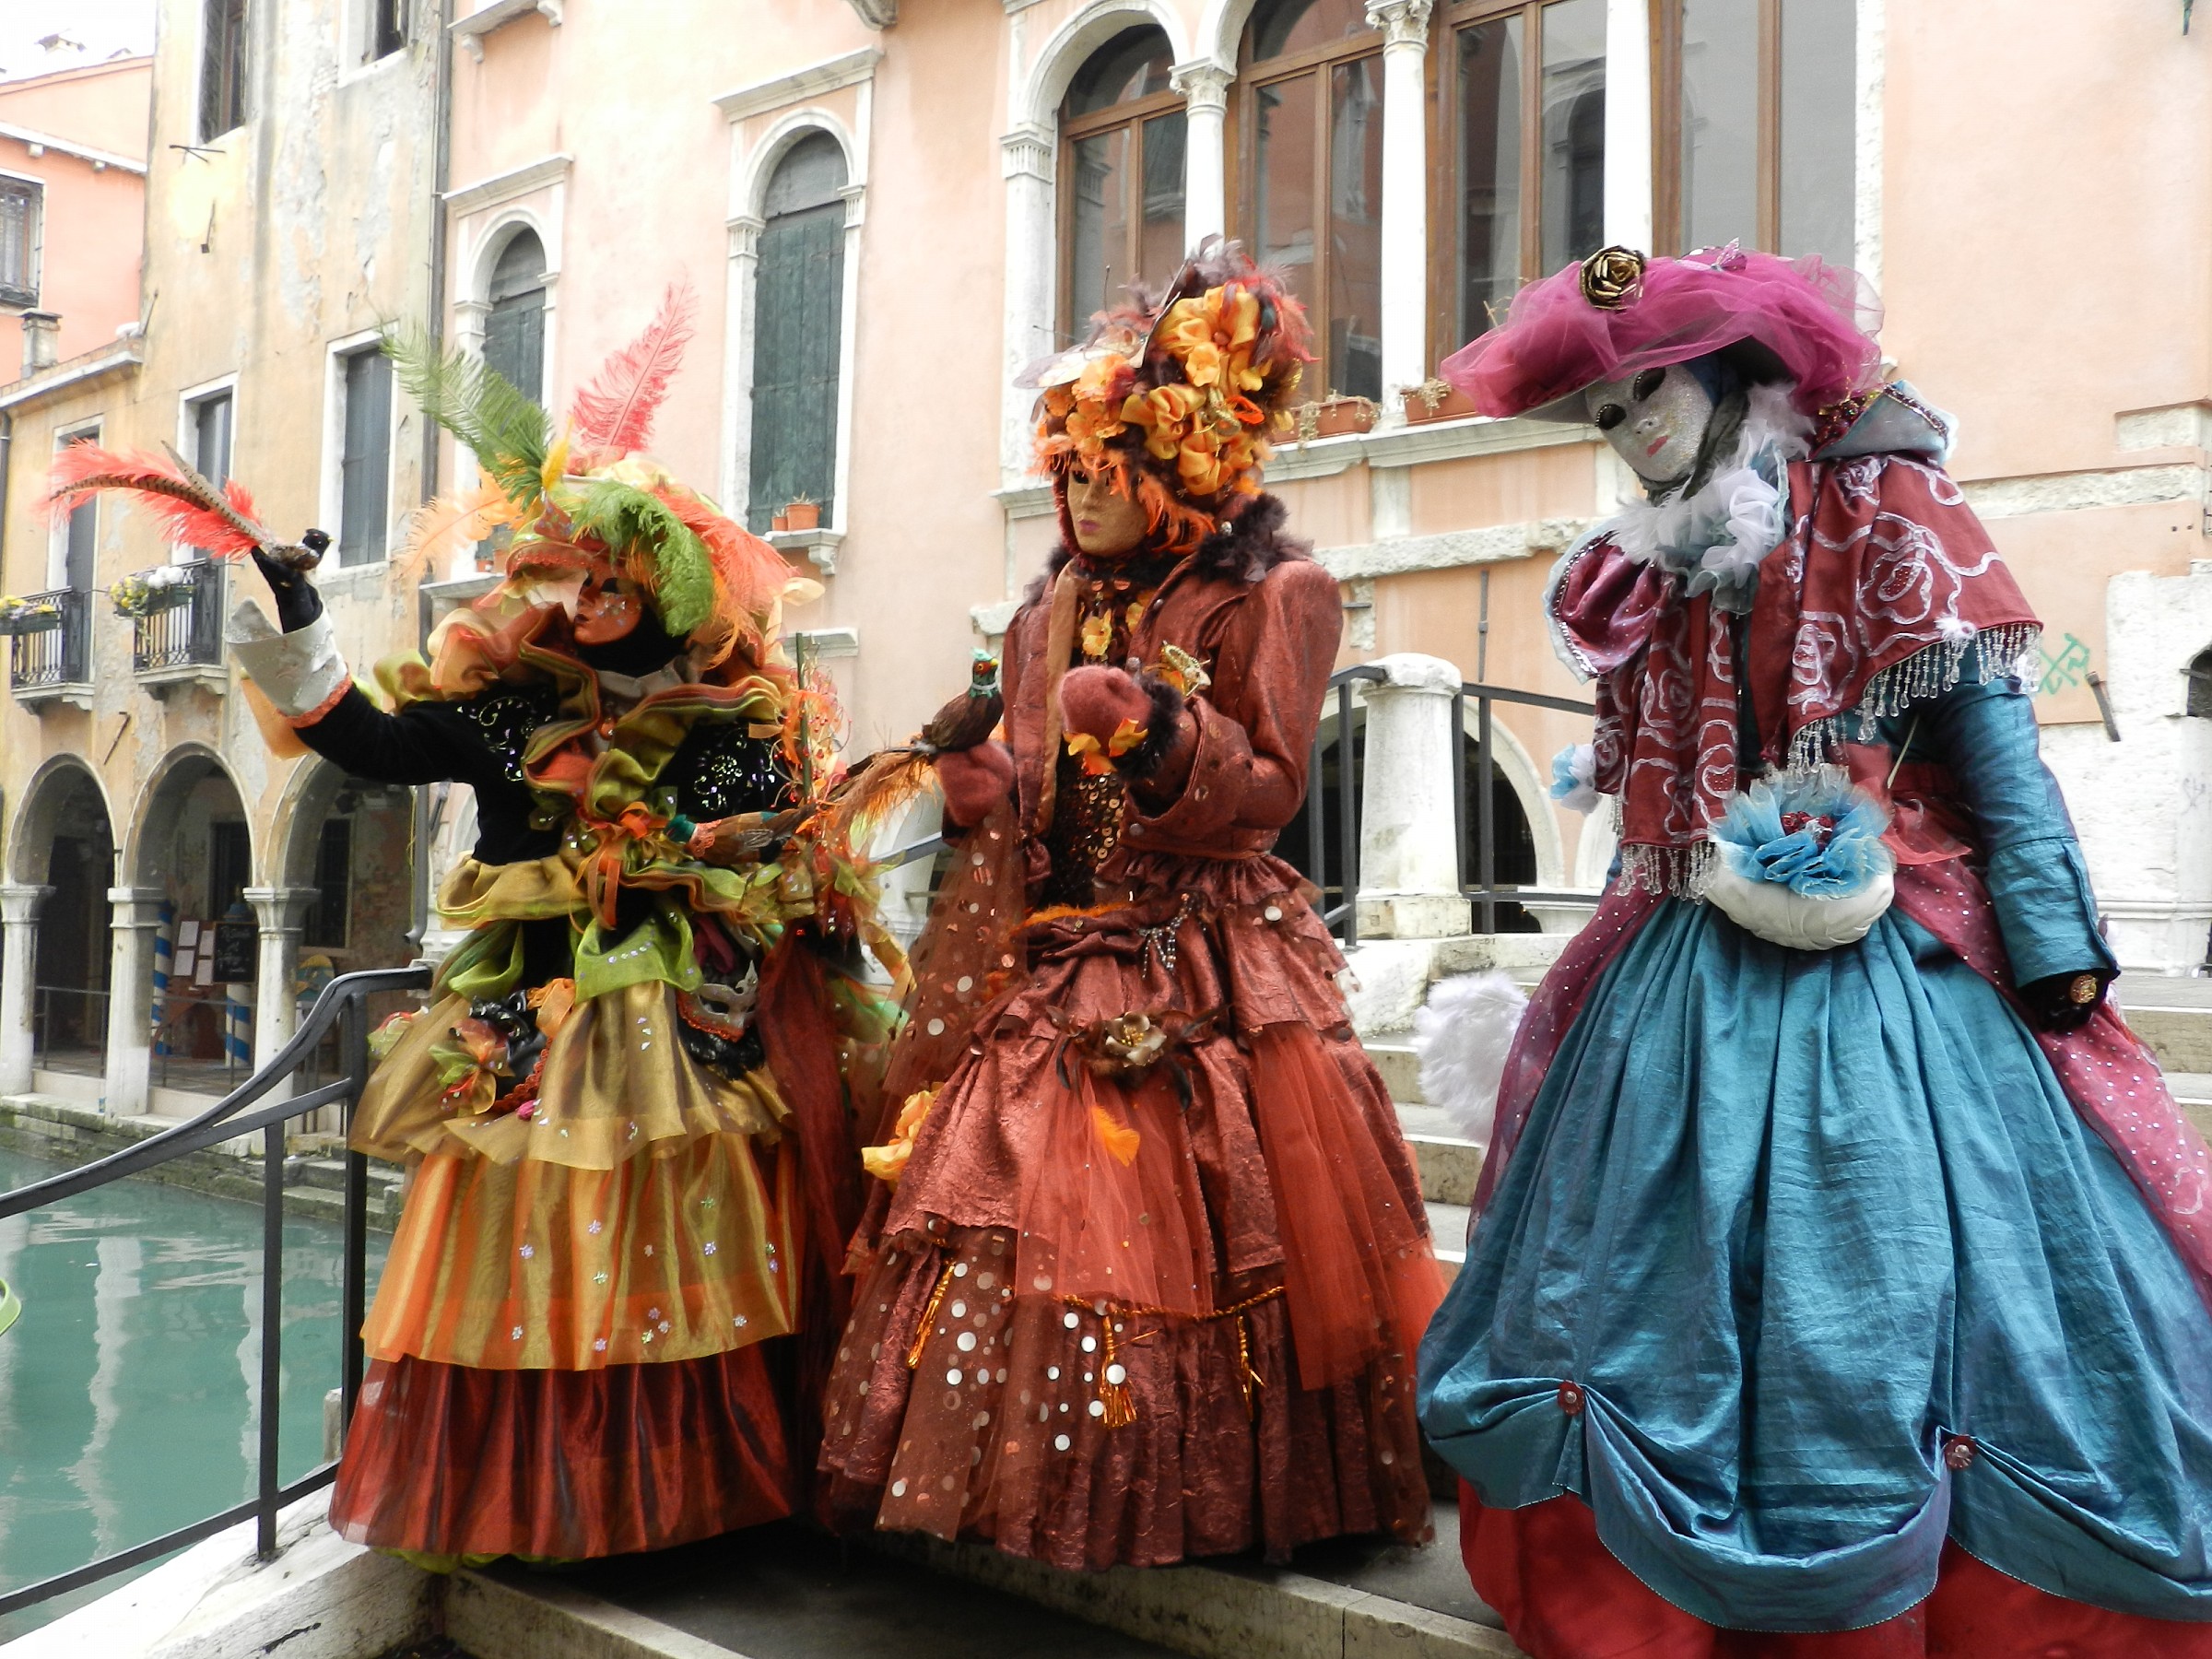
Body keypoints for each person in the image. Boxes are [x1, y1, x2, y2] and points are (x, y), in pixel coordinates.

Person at [1416, 245, 2212, 1655]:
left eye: (1649, 390)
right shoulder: (1646, 566)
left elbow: (1990, 737)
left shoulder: (1881, 502)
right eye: (1605, 416)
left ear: (1731, 374)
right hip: (1683, 970)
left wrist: (2049, 941)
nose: (1635, 429)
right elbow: (1665, 785)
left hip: (1892, 962)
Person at [54, 292, 889, 1564]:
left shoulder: (741, 721)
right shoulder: (508, 711)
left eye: (609, 578)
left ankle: (676, 1500)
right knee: (524, 1245)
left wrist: (707, 874)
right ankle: (548, 1497)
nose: (586, 599)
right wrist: (301, 618)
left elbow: (779, 851)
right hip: (526, 1025)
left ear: (658, 578)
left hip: (686, 1027)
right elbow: (370, 741)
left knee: (672, 1253)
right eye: (568, 577)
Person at [815, 241, 1444, 1571]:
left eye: (1104, 474)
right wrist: (994, 792)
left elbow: (1269, 788)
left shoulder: (1280, 594)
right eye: (1065, 475)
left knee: (1212, 1222)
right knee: (1008, 1189)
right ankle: (1045, 1474)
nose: (1077, 499)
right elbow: (1045, 786)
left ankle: (1208, 1486)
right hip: (1068, 945)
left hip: (1207, 952)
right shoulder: (1046, 614)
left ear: (1183, 469)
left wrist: (1163, 735)